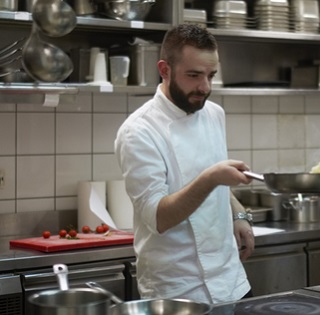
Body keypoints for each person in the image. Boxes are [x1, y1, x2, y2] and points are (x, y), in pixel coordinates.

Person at [114, 24, 255, 304]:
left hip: (231, 279)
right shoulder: (138, 132)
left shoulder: (214, 114)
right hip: (177, 290)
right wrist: (211, 178)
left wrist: (237, 213)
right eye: (193, 75)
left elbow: (216, 177)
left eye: (211, 75)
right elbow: (158, 218)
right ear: (164, 70)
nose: (205, 87)